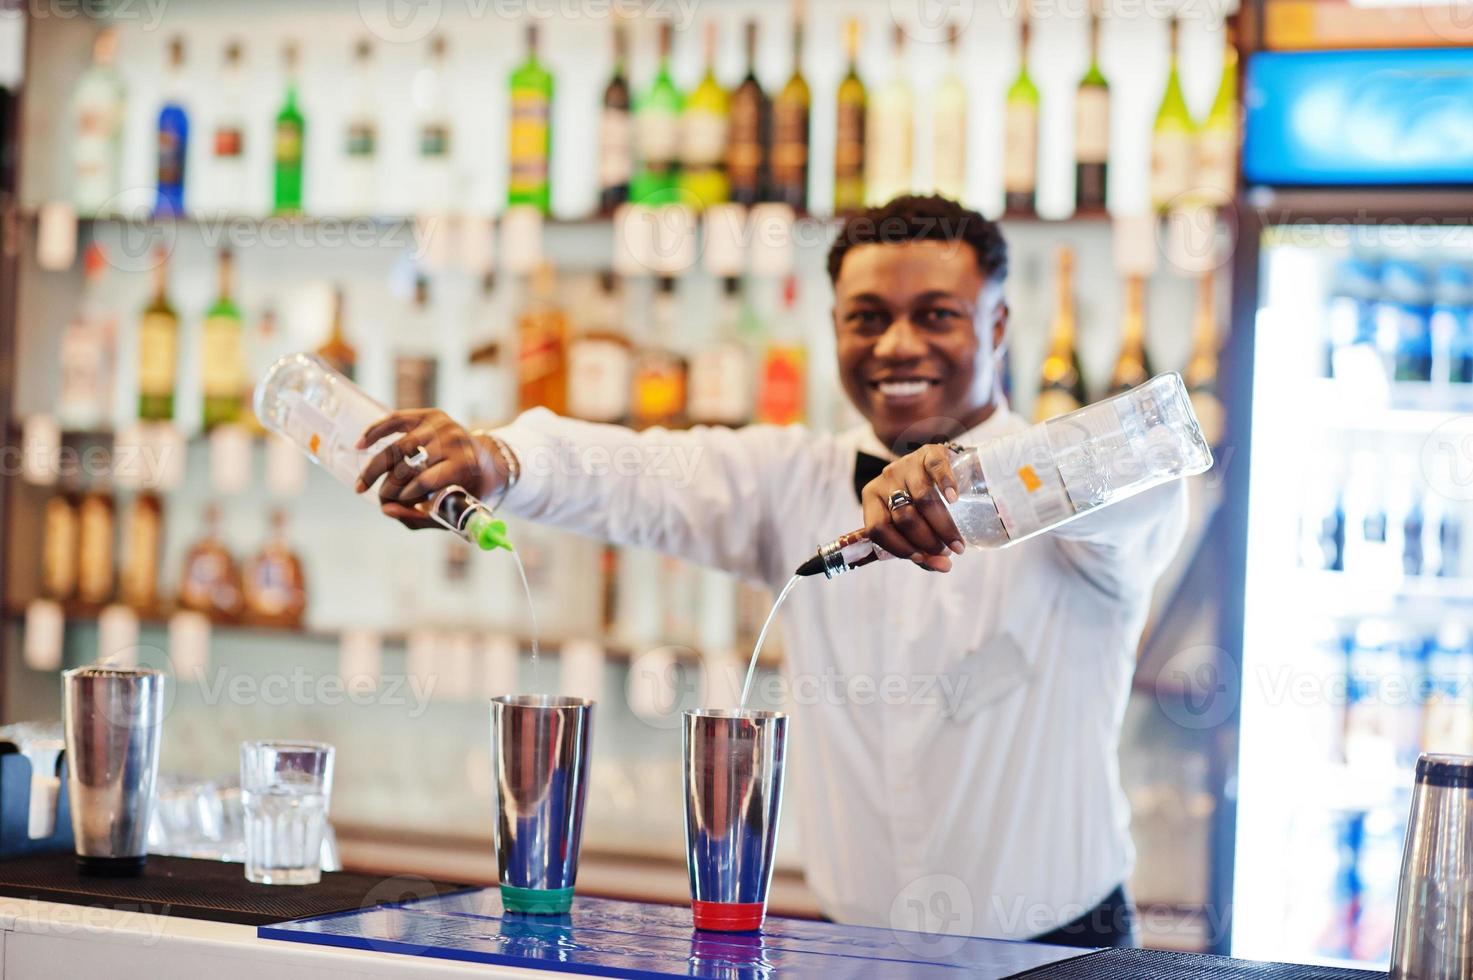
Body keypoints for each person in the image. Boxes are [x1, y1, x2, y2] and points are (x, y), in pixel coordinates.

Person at [356, 195, 1187, 948]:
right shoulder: (789, 479)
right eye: (866, 318)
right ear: (832, 328)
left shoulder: (1079, 503)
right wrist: (502, 457)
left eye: (936, 314)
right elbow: (633, 474)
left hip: (1058, 946)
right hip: (846, 945)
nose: (897, 344)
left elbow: (1143, 481)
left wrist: (974, 480)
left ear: (998, 325)